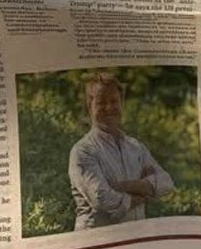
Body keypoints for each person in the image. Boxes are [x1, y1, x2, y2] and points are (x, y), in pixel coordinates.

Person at [68, 73, 175, 230]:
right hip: (98, 241)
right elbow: (103, 200)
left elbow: (166, 183)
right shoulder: (83, 151)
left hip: (136, 237)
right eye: (101, 102)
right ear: (90, 106)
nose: (109, 108)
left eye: (113, 101)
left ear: (122, 103)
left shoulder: (136, 147)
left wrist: (123, 186)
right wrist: (144, 193)